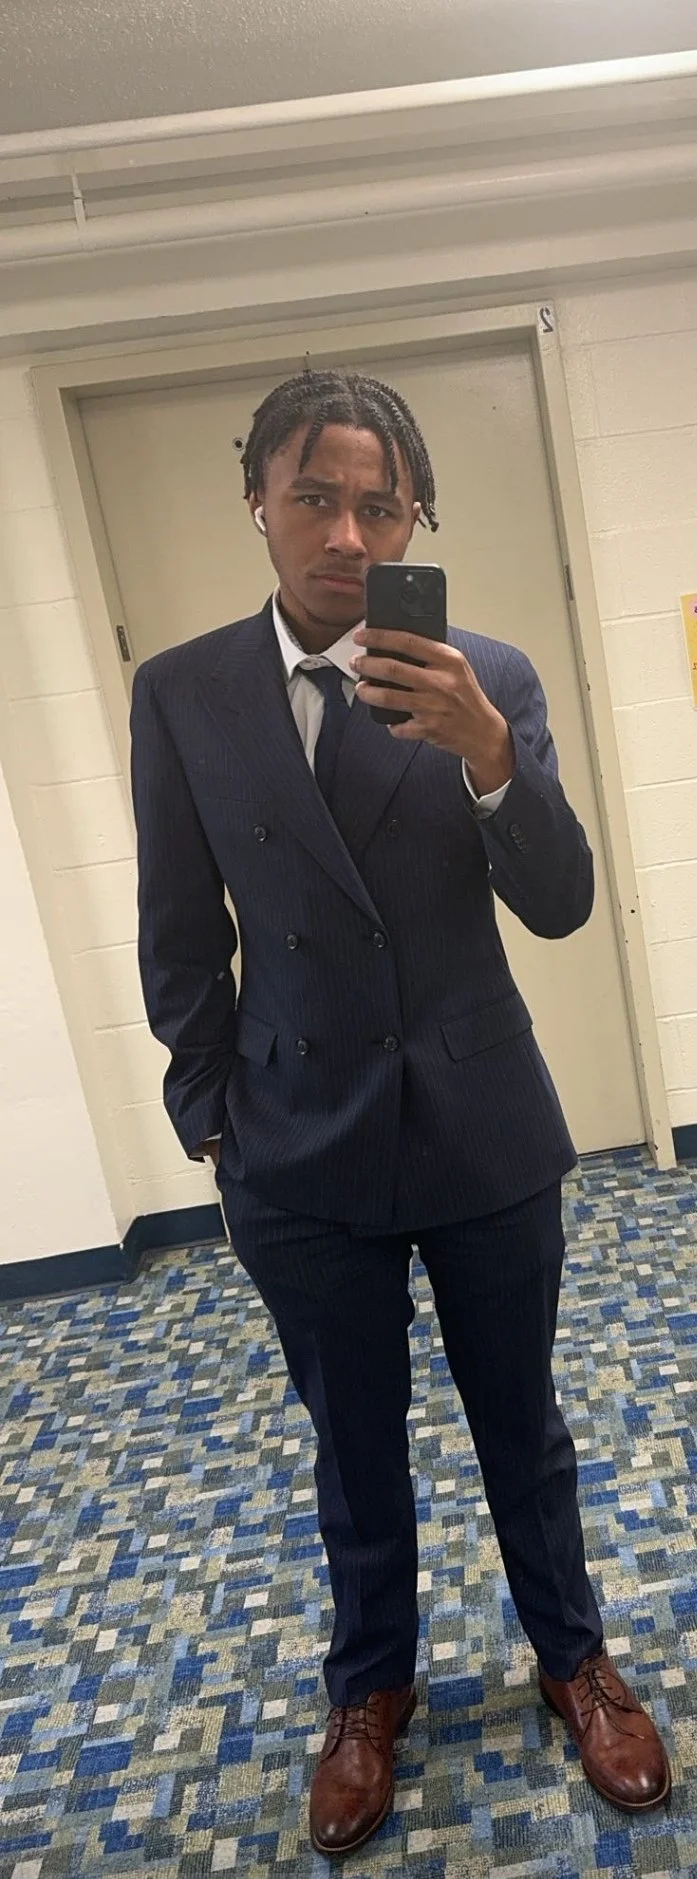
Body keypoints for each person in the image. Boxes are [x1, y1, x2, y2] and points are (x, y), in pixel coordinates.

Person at [131, 369, 670, 1856]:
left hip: (482, 1125)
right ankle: (369, 1691)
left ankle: (575, 1658)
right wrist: (209, 1120)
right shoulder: (181, 691)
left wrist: (491, 758)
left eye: (383, 503)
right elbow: (179, 929)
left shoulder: (485, 673)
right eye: (317, 494)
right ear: (259, 501)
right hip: (296, 1143)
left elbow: (561, 905)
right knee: (350, 1441)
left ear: (415, 517)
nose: (349, 530)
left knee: (525, 1426)